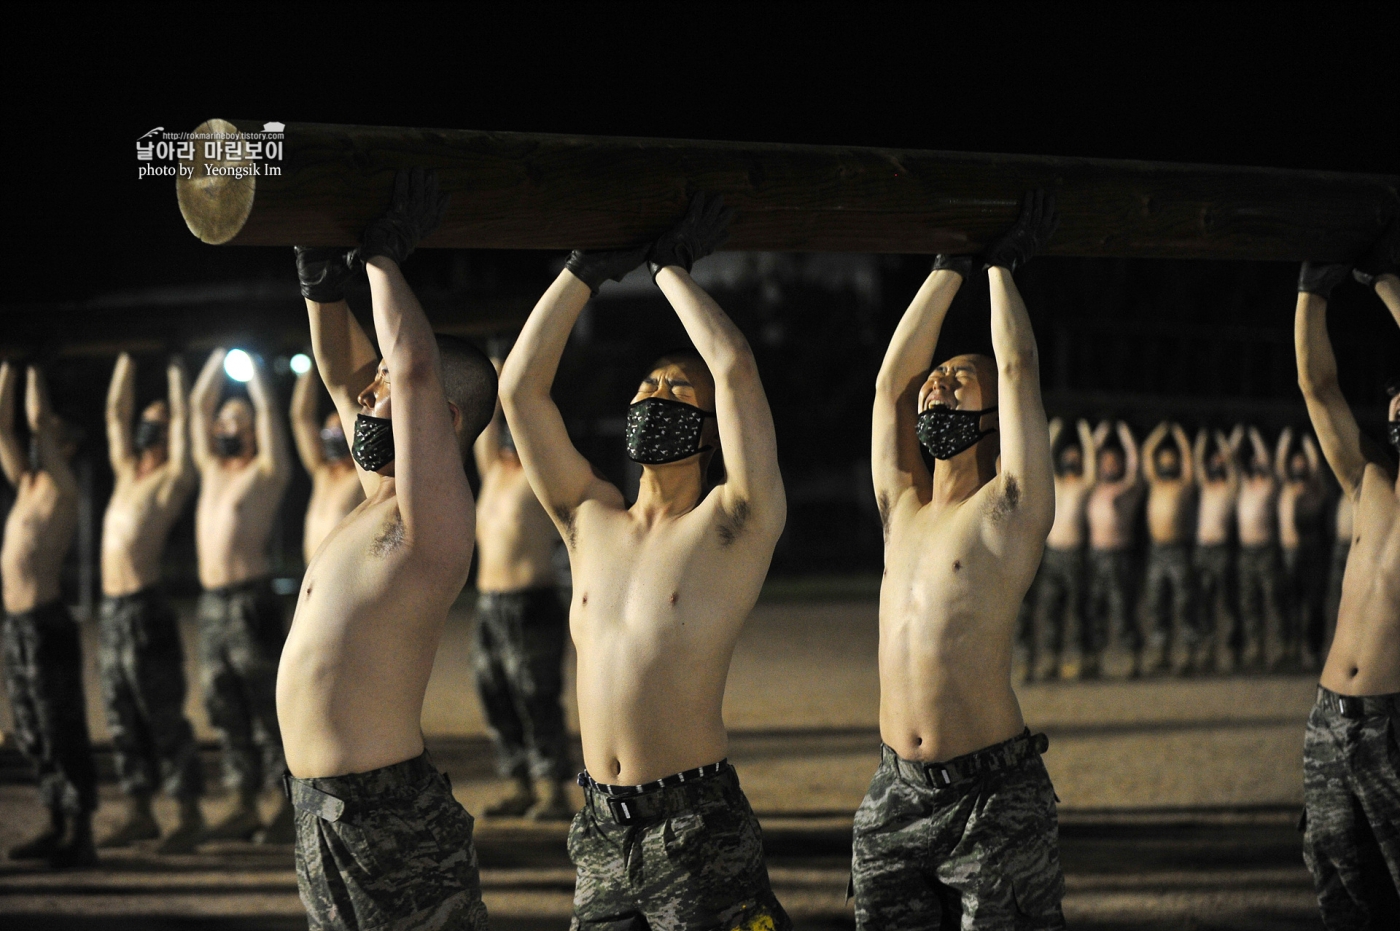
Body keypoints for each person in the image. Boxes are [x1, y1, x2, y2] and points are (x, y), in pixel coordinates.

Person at [501, 192, 792, 930]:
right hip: (598, 825)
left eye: (674, 390)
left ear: (706, 430)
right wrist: (582, 273)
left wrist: (667, 270)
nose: (655, 395)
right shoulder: (587, 518)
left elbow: (735, 371)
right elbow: (519, 391)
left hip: (694, 825)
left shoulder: (734, 519)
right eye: (647, 385)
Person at [280, 168, 496, 930]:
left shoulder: (429, 514)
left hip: (387, 819)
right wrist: (318, 284)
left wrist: (384, 260)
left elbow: (407, 368)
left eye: (383, 397)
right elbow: (349, 372)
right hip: (325, 812)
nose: (365, 399)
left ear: (443, 416)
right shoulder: (372, 500)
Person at [853, 191, 1064, 929]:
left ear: (991, 415)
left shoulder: (1010, 508)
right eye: (937, 378)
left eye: (958, 377)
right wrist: (946, 268)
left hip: (991, 796)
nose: (938, 381)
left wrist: (1001, 267)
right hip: (894, 790)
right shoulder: (901, 508)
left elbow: (1017, 367)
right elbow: (889, 387)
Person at [1293, 227, 1400, 926]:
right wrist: (1312, 291)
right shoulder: (1370, 481)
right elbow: (1317, 383)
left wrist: (1388, 283)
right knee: (1341, 895)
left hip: (1395, 728)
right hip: (1330, 721)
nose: (1396, 403)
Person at [96, 353, 204, 853]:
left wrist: (176, 373)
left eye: (157, 427)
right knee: (121, 717)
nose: (147, 432)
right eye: (147, 423)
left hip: (144, 610)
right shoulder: (125, 474)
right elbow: (115, 414)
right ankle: (139, 811)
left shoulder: (171, 480)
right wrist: (127, 358)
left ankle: (187, 813)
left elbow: (183, 427)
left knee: (162, 715)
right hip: (111, 613)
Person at [190, 345, 293, 843]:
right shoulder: (211, 472)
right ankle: (244, 802)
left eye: (236, 420)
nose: (225, 426)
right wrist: (218, 352)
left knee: (264, 709)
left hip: (250, 603)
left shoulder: (266, 473)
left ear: (253, 429)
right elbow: (196, 408)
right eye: (223, 420)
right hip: (211, 606)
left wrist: (252, 371)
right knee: (224, 709)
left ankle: (284, 804)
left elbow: (271, 411)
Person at [0, 362, 97, 868]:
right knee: (34, 730)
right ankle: (56, 824)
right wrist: (7, 372)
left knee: (61, 729)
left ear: (70, 448)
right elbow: (4, 426)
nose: (40, 441)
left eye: (54, 437)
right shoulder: (26, 485)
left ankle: (79, 834)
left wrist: (37, 365)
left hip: (44, 623)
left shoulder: (62, 489)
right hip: (17, 626)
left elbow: (34, 421)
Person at [470, 353, 571, 821]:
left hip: (532, 603)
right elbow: (484, 426)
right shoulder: (494, 473)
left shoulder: (539, 474)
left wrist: (522, 392)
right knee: (495, 695)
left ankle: (554, 790)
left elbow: (535, 418)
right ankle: (520, 784)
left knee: (536, 697)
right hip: (489, 606)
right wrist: (492, 379)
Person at [1021, 417, 1095, 681]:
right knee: (1050, 610)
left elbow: (1093, 469)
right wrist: (1053, 432)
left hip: (1075, 556)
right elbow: (1044, 463)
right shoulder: (1054, 485)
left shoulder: (1083, 487)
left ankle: (1079, 660)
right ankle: (1051, 660)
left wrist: (1085, 436)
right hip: (1052, 557)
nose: (1071, 460)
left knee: (1077, 610)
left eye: (1077, 457)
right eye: (1068, 455)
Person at [1085, 420, 1144, 678]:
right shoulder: (1093, 488)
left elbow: (1135, 465)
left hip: (1120, 556)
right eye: (1105, 461)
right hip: (1096, 556)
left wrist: (1124, 434)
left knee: (1124, 609)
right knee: (1095, 609)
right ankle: (1093, 660)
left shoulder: (1127, 490)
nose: (1110, 465)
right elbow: (1089, 457)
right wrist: (1100, 435)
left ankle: (1133, 660)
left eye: (1114, 461)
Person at [290, 365, 364, 564]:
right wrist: (313, 367)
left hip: (344, 581)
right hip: (312, 580)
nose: (333, 438)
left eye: (339, 431)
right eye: (329, 432)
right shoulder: (322, 473)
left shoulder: (364, 477)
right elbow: (301, 418)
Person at [1140, 421, 1197, 674]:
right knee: (1156, 604)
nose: (1166, 463)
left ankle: (1188, 654)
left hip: (1178, 551)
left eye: (1170, 459)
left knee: (1184, 603)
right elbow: (1146, 454)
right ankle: (1160, 653)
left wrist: (1179, 435)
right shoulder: (1155, 483)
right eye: (1163, 459)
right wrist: (1161, 430)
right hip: (1156, 552)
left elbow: (1188, 460)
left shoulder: (1183, 485)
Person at [1275, 426, 1328, 670]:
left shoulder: (1312, 489)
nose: (1297, 466)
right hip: (1289, 554)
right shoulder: (1286, 488)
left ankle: (1313, 651)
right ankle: (1291, 649)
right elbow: (1279, 465)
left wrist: (1308, 443)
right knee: (1290, 606)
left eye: (1301, 462)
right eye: (1294, 462)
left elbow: (1316, 466)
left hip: (1311, 554)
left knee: (1313, 605)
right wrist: (1287, 439)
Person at [1234, 426, 1282, 671]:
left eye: (1258, 462)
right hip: (1246, 553)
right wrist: (1241, 434)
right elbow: (1233, 458)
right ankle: (1256, 649)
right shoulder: (1244, 486)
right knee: (1249, 603)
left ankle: (1280, 650)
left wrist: (1255, 435)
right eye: (1251, 461)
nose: (1255, 464)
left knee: (1272, 601)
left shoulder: (1269, 486)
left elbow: (1268, 462)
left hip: (1265, 551)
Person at [1192, 427, 1240, 673]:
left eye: (1219, 462)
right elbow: (1198, 462)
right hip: (1203, 550)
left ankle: (1233, 652)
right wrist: (1203, 437)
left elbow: (1231, 466)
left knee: (1229, 602)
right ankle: (1207, 650)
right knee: (1204, 603)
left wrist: (1221, 441)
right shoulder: (1207, 487)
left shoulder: (1229, 488)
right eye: (1214, 462)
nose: (1215, 465)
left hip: (1221, 550)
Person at [1323, 492, 1352, 652]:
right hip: (1338, 546)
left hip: (1355, 546)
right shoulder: (1338, 493)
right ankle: (1334, 646)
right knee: (1336, 599)